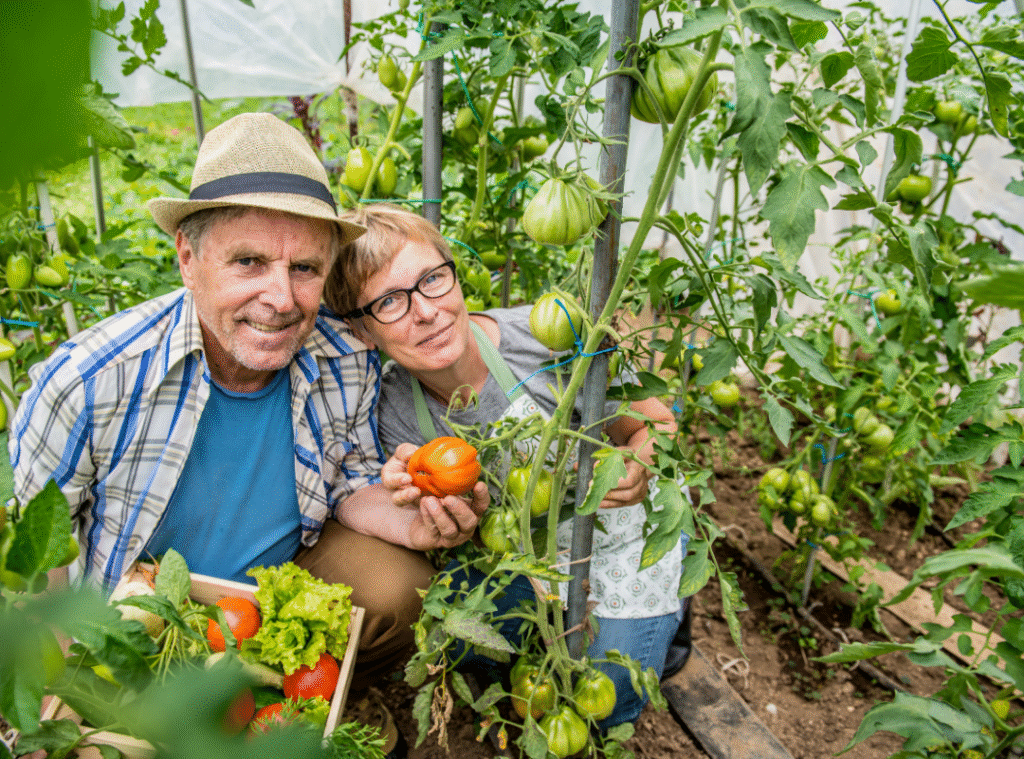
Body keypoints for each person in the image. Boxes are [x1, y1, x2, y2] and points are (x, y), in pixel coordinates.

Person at [8, 114, 486, 756]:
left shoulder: (343, 356)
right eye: (249, 262)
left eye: (306, 269)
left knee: (398, 583)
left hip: (274, 597)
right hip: (144, 622)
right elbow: (41, 565)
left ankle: (319, 692)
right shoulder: (90, 382)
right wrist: (47, 710)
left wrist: (413, 526)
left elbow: (350, 482)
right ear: (187, 257)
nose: (280, 298)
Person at [324, 203, 689, 729]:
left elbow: (654, 424)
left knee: (614, 699)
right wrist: (428, 506)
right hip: (523, 554)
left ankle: (668, 609)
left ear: (456, 276)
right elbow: (438, 523)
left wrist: (639, 463)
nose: (425, 310)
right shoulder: (394, 410)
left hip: (617, 532)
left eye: (431, 279)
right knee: (454, 634)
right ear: (362, 332)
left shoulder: (550, 340)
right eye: (388, 303)